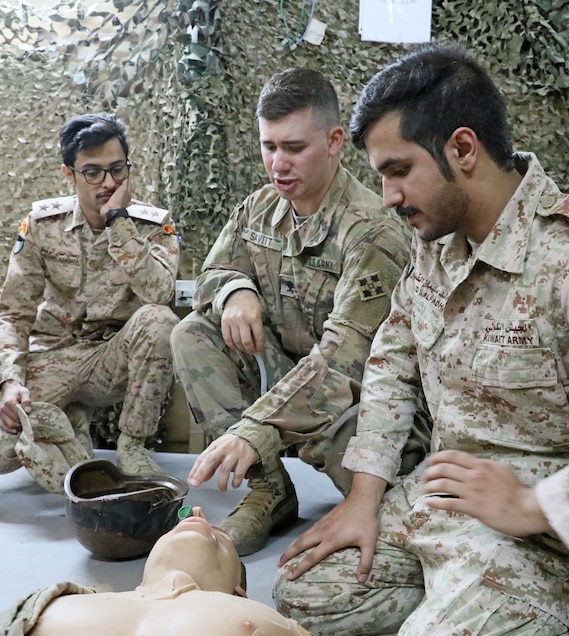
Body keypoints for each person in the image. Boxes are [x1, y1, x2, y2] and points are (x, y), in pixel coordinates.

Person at [272, 44, 569, 636]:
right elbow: (393, 360)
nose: (389, 197)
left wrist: (533, 507)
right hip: (445, 499)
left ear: (463, 149)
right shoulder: (436, 240)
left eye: (398, 171)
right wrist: (364, 495)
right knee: (304, 593)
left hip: (542, 533)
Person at [172, 68, 429, 555]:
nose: (278, 164)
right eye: (269, 146)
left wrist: (255, 431)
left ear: (334, 141)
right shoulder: (261, 208)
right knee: (193, 334)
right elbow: (213, 271)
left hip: (360, 400)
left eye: (294, 148)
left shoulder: (371, 232)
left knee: (382, 497)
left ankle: (379, 515)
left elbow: (345, 361)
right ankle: (270, 491)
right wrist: (235, 292)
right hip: (290, 375)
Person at [0, 113, 180, 488]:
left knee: (160, 320)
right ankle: (71, 425)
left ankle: (133, 446)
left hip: (112, 360)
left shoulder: (152, 226)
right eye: (93, 172)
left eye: (117, 169)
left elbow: (161, 295)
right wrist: (10, 381)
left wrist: (119, 224)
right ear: (69, 175)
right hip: (54, 356)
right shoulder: (43, 224)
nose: (109, 182)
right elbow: (13, 314)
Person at [0, 507, 312, 636]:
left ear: (238, 592)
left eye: (220, 537)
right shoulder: (54, 599)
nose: (200, 512)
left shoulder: (264, 620)